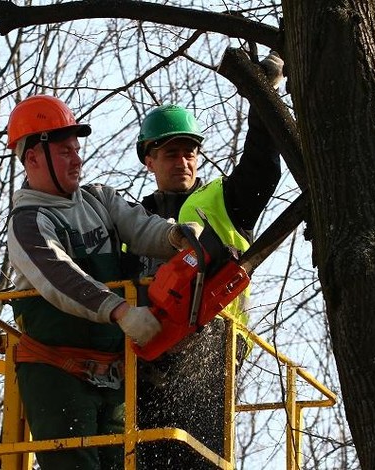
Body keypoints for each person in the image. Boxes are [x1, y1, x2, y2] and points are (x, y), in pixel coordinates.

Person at [5, 94, 201, 470]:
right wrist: (121, 311)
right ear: (32, 158)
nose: (77, 159)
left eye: (76, 149)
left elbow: (141, 227)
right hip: (56, 374)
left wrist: (174, 236)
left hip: (112, 374)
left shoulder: (99, 199)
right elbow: (58, 276)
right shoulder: (29, 221)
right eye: (64, 152)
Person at [133, 53, 285, 468]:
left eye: (188, 152)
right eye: (170, 154)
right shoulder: (135, 221)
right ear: (150, 160)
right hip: (147, 353)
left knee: (197, 455)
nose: (182, 160)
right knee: (142, 455)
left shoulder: (223, 199)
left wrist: (264, 94)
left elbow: (261, 166)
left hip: (212, 345)